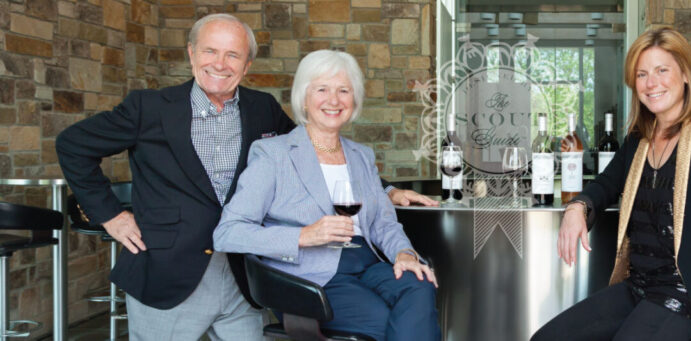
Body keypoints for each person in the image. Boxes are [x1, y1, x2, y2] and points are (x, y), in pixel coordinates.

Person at [56, 13, 434, 339]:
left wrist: (386, 191)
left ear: (246, 64)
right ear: (191, 53)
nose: (220, 64)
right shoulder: (149, 108)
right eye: (210, 51)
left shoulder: (262, 109)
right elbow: (72, 145)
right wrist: (110, 215)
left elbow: (316, 151)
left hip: (243, 274)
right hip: (168, 270)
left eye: (232, 54)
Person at [532, 27, 691, 340]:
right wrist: (577, 206)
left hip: (684, 295)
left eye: (661, 70)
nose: (651, 83)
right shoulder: (638, 141)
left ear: (684, 75)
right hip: (637, 288)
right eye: (642, 74)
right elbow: (603, 185)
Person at [213, 50, 441, 341]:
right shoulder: (273, 154)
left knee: (419, 282)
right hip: (307, 277)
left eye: (343, 90)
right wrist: (304, 235)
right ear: (304, 98)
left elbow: (384, 224)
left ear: (354, 100)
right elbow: (227, 233)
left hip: (365, 263)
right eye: (322, 89)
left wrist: (405, 254)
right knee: (387, 322)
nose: (333, 100)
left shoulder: (361, 156)